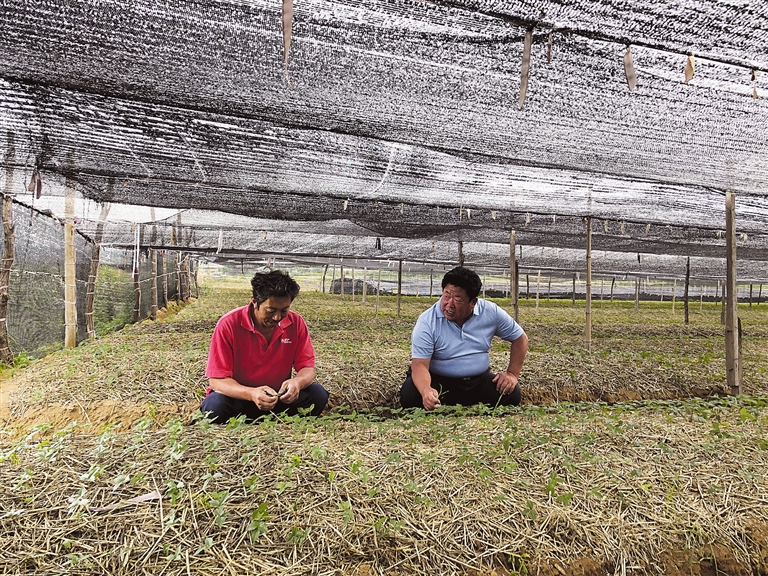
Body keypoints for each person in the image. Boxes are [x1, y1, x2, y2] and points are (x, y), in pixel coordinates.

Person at [200, 270, 328, 423]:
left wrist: (297, 383)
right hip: (240, 398)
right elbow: (217, 380)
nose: (277, 317)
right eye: (271, 310)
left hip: (277, 399)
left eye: (284, 310)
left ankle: (274, 421)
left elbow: (307, 367)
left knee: (317, 394)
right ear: (254, 301)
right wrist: (251, 393)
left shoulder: (296, 323)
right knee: (215, 406)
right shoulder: (229, 324)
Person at [399, 266, 528, 410]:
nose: (449, 304)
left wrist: (512, 374)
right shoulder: (427, 321)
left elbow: (520, 338)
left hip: (478, 381)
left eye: (458, 299)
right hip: (440, 381)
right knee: (411, 396)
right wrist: (426, 390)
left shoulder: (491, 312)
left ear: (473, 302)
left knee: (512, 394)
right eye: (446, 296)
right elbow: (420, 364)